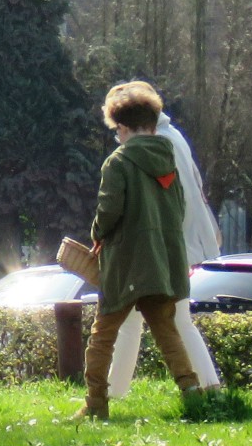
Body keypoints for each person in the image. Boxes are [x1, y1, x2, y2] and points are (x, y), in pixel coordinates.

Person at [78, 81, 203, 421]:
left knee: (102, 335)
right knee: (167, 331)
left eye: (116, 130)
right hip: (162, 260)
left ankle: (95, 404)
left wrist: (96, 234)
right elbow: (178, 209)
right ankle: (192, 393)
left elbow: (108, 211)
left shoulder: (117, 162)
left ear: (122, 126)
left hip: (128, 262)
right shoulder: (168, 160)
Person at [105, 109, 224, 399]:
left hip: (165, 247)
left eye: (118, 127)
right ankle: (113, 393)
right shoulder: (173, 138)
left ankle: (208, 389)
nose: (117, 135)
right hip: (174, 245)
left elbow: (174, 200)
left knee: (167, 318)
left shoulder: (158, 144)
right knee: (149, 320)